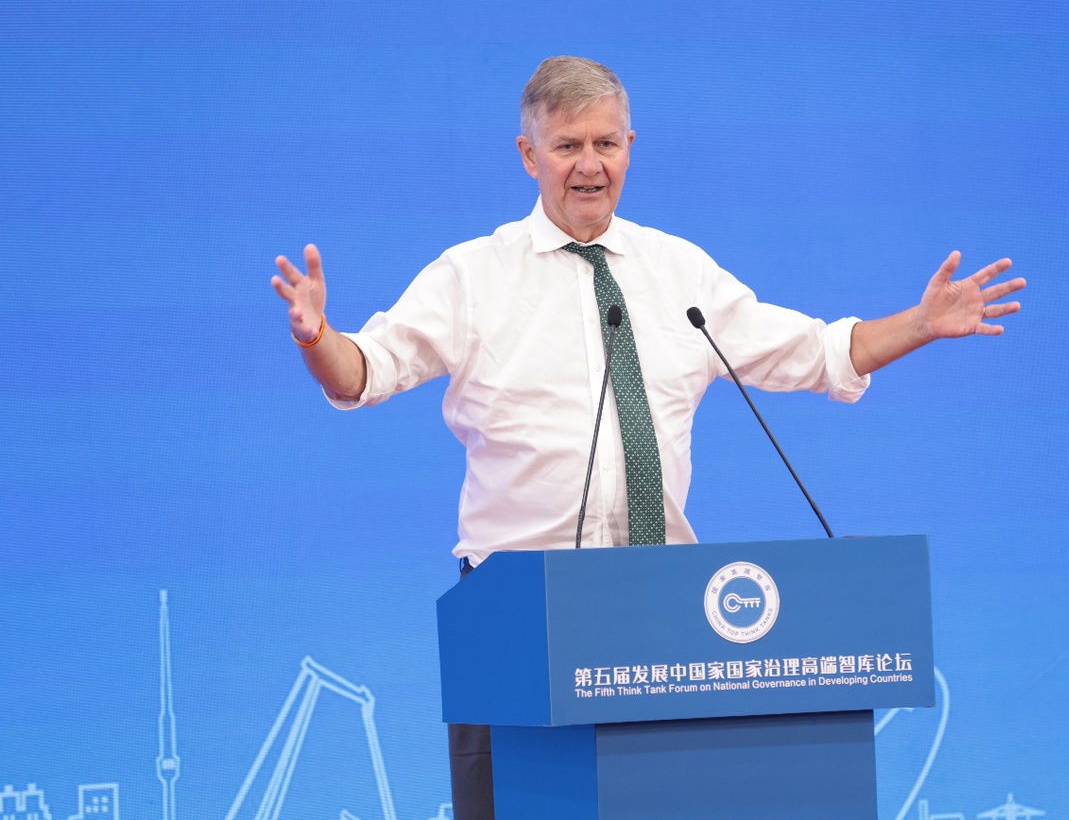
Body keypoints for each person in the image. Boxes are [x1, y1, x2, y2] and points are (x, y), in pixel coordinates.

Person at [270, 56, 1024, 820]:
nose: (589, 165)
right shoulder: (472, 276)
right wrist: (316, 337)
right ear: (529, 155)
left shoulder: (677, 272)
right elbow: (363, 373)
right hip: (515, 613)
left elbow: (815, 352)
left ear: (629, 146)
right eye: (567, 146)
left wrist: (920, 324)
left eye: (605, 143)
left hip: (661, 611)